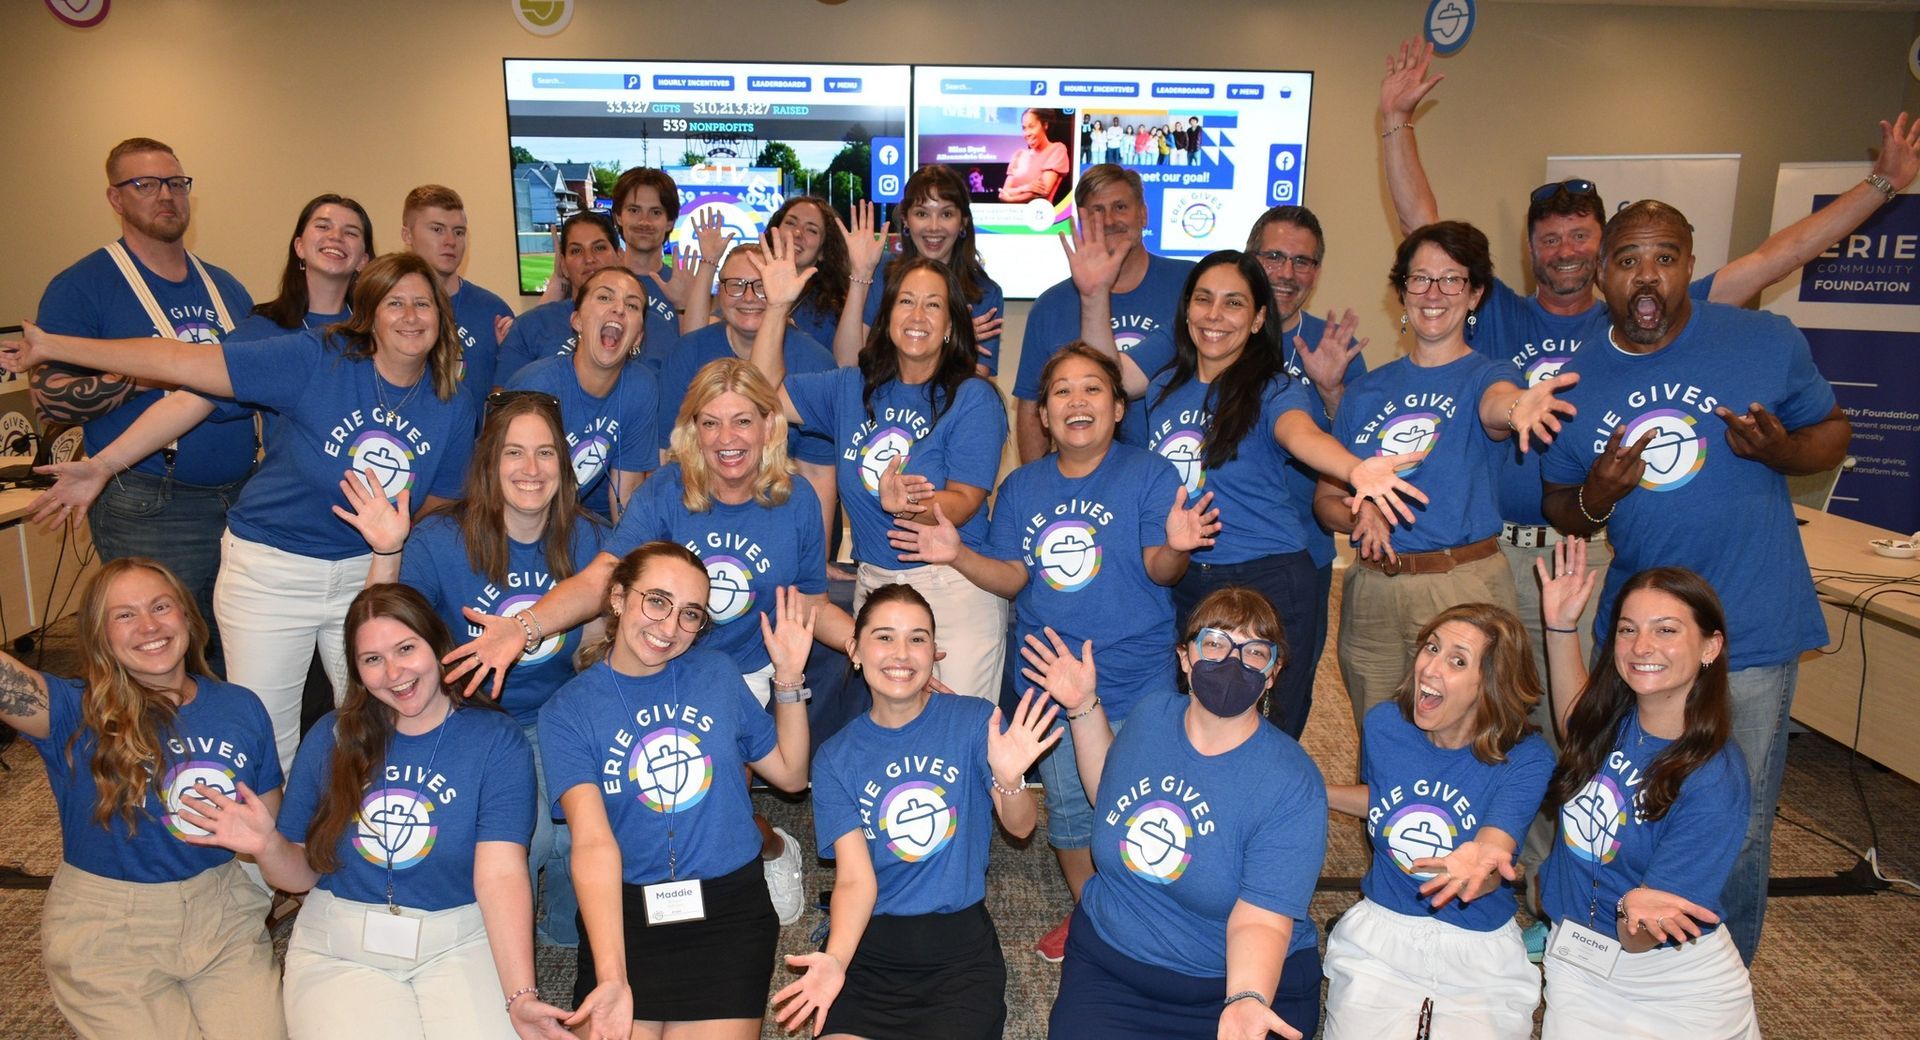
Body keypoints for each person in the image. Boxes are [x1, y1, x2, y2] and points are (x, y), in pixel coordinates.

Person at [2, 252, 480, 773]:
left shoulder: (450, 398)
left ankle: (357, 846)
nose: (411, 316)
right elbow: (182, 365)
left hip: (367, 573)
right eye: (395, 303)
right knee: (266, 738)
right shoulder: (316, 358)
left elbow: (439, 503)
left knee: (379, 724)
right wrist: (54, 347)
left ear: (442, 316)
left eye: (423, 304)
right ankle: (263, 854)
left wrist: (400, 555)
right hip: (272, 571)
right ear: (368, 314)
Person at [1541, 200, 1849, 964]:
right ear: (1602, 272)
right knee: (1614, 809)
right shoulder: (1574, 373)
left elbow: (1832, 432)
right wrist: (1599, 496)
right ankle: (1605, 964)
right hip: (1640, 642)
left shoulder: (1761, 341)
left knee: (1736, 830)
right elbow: (1562, 505)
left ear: (1690, 263)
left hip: (1749, 630)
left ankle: (1718, 985)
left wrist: (1781, 453)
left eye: (1666, 256)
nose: (1647, 276)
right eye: (1628, 259)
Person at [440, 358, 853, 928]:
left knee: (720, 804)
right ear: (691, 431)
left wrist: (869, 648)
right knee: (669, 801)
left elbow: (809, 602)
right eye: (710, 423)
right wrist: (524, 625)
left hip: (753, 671)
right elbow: (602, 577)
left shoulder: (798, 499)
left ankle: (773, 847)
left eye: (742, 421)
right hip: (667, 663)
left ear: (768, 426)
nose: (726, 439)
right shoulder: (664, 494)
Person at [887, 344, 1215, 960]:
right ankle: (1092, 912)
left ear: (1119, 408)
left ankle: (1146, 908)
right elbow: (1015, 577)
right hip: (1048, 681)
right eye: (1060, 391)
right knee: (1069, 808)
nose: (1076, 401)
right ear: (1042, 416)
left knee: (1144, 799)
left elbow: (1160, 569)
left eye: (1092, 388)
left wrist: (1177, 546)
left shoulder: (1148, 474)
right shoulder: (1019, 488)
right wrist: (956, 554)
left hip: (1136, 674)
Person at [178, 584, 571, 1040]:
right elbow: (300, 877)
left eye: (406, 648)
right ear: (358, 671)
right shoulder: (332, 737)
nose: (394, 672)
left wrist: (521, 995)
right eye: (372, 660)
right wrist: (267, 846)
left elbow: (502, 874)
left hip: (461, 935)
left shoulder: (496, 740)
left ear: (438, 645)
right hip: (341, 943)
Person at [1075, 248, 1432, 739]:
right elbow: (1104, 382)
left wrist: (1356, 469)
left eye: (1234, 303)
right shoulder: (1160, 389)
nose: (1215, 316)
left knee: (1267, 727)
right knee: (1193, 724)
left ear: (1260, 317)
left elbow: (1300, 435)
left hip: (1267, 578)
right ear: (1186, 310)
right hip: (1186, 580)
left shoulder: (1274, 389)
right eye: (1203, 300)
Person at [336, 390, 604, 949]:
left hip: (559, 717)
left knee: (582, 834)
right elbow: (382, 634)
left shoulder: (589, 537)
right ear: (489, 462)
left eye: (546, 454)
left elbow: (603, 642)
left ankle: (565, 936)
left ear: (565, 464)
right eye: (513, 453)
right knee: (521, 843)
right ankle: (490, 943)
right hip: (472, 721)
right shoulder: (441, 540)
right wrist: (387, 551)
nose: (530, 470)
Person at [1029, 586, 1328, 1040]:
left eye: (1254, 652)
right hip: (1114, 967)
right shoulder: (1151, 715)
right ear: (1185, 658)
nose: (1233, 661)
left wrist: (1247, 997)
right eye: (1215, 643)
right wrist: (1082, 707)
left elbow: (1260, 918)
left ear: (1272, 673)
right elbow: (1108, 799)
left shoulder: (1292, 782)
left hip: (1233, 981)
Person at [2, 558, 283, 1040]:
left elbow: (266, 829)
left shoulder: (240, 705)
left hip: (220, 912)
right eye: (124, 615)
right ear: (99, 635)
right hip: (109, 928)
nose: (149, 625)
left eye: (160, 606)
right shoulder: (74, 709)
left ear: (190, 619)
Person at [539, 543, 812, 1039]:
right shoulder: (568, 710)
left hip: (726, 911)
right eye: (657, 601)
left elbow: (792, 776)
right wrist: (613, 977)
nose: (669, 629)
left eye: (690, 615)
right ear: (618, 598)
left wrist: (789, 676)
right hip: (624, 915)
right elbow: (594, 844)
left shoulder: (715, 674)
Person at [1315, 221, 1574, 730]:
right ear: (1402, 291)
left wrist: (1521, 406)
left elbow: (1498, 406)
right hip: (1372, 589)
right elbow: (1326, 497)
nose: (1434, 294)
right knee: (1380, 733)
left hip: (1460, 586)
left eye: (1452, 280)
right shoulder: (1366, 391)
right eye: (1419, 279)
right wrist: (1362, 508)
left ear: (1475, 293)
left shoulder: (1488, 374)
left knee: (1466, 736)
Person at [772, 584, 1060, 1038]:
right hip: (870, 950)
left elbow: (1021, 827)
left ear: (934, 651)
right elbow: (853, 879)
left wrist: (1008, 778)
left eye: (917, 638)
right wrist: (836, 961)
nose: (901, 653)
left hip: (958, 955)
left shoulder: (973, 720)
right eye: (884, 637)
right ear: (855, 650)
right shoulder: (835, 757)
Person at [751, 231, 1012, 708]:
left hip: (951, 587)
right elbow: (763, 392)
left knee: (958, 734)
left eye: (933, 306)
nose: (917, 316)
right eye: (906, 302)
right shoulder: (850, 387)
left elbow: (965, 500)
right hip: (876, 587)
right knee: (897, 739)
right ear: (887, 317)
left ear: (952, 325)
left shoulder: (972, 398)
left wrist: (912, 504)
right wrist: (776, 307)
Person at [31, 138, 255, 671]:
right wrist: (156, 369)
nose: (166, 196)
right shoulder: (83, 287)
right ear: (115, 198)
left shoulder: (225, 288)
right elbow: (51, 401)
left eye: (176, 183)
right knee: (163, 653)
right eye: (146, 184)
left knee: (233, 644)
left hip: (241, 497)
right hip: (151, 503)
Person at [1534, 545, 1759, 1038]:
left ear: (1710, 647)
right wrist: (1561, 626)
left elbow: (1642, 938)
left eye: (1666, 630)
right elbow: (1576, 722)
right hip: (1577, 958)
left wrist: (1630, 907)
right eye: (1628, 629)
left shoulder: (1715, 777)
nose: (1641, 646)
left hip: (1671, 983)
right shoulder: (1614, 723)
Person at [1320, 603, 1553, 1039]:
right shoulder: (1386, 724)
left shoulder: (1525, 757)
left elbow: (1491, 849)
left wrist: (1477, 870)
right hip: (1383, 930)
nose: (1430, 667)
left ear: (1491, 684)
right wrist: (1316, 791)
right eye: (1432, 647)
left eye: (1458, 660)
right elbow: (1389, 801)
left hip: (1477, 939)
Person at [655, 244, 838, 540]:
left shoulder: (815, 361)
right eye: (735, 285)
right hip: (701, 510)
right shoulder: (688, 352)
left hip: (782, 510)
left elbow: (817, 472)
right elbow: (668, 456)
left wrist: (818, 559)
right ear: (720, 292)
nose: (749, 297)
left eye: (761, 286)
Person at [1015, 165, 1194, 463]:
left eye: (1120, 207)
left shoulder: (1192, 287)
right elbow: (1033, 407)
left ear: (1144, 214)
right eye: (1097, 211)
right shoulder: (1050, 306)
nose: (1110, 220)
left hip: (1182, 470)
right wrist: (1037, 486)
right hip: (1088, 484)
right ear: (1081, 223)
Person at [505, 267, 659, 521]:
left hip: (568, 521)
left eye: (632, 306)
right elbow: (505, 492)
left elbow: (626, 493)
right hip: (514, 520)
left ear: (638, 338)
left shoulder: (641, 387)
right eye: (604, 297)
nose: (619, 309)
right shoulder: (537, 386)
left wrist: (626, 557)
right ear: (577, 321)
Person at [840, 167, 1007, 377]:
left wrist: (949, 338)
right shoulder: (881, 272)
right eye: (922, 214)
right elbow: (846, 363)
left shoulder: (984, 293)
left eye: (946, 214)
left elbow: (973, 389)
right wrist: (860, 275)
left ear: (963, 221)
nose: (934, 227)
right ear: (906, 220)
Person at [401, 184, 514, 399]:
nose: (450, 241)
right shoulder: (389, 310)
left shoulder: (494, 311)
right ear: (407, 235)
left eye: (459, 232)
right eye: (437, 229)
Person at [497, 211, 631, 380]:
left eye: (599, 248)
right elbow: (502, 400)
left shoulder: (650, 325)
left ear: (619, 257)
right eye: (576, 251)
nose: (589, 259)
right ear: (563, 265)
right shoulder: (528, 326)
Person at [232, 193, 373, 342]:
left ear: (362, 261)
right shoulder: (258, 330)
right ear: (299, 247)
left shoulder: (376, 332)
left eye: (350, 233)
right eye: (323, 226)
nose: (336, 236)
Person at [607, 166, 696, 356]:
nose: (644, 222)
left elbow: (694, 359)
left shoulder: (688, 286)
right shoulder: (599, 285)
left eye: (655, 212)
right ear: (618, 217)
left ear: (670, 222)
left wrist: (683, 306)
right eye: (634, 210)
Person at [763, 195, 854, 350]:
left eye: (812, 230)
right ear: (775, 232)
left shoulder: (834, 311)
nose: (797, 233)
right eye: (790, 223)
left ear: (823, 251)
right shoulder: (747, 283)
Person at [999, 108, 1072, 205]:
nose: (1027, 133)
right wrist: (1026, 188)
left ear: (1045, 125)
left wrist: (1010, 198)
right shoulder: (1019, 155)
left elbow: (1042, 192)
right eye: (1024, 128)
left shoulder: (1057, 149)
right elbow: (1003, 192)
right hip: (1012, 217)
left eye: (1031, 126)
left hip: (1039, 216)